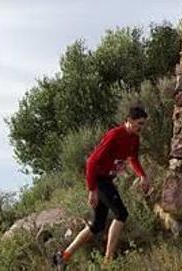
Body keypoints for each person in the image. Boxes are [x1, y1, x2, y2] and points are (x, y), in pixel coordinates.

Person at [52, 107, 151, 269]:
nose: (141, 127)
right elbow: (91, 161)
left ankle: (63, 256)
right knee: (121, 214)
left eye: (143, 124)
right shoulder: (115, 135)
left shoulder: (134, 139)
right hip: (99, 181)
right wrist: (92, 190)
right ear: (129, 120)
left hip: (107, 180)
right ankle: (108, 261)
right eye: (139, 123)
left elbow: (133, 159)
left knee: (97, 224)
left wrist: (142, 175)